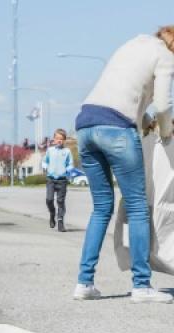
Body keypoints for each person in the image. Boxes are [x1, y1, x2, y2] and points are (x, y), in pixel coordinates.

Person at [73, 26, 174, 303]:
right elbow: (163, 105)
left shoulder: (131, 46)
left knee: (101, 208)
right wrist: (166, 131)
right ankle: (141, 285)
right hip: (117, 130)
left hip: (85, 126)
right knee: (138, 206)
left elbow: (122, 97)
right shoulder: (165, 56)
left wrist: (145, 122)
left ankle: (84, 283)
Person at [42, 129, 74, 232]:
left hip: (62, 180)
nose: (59, 140)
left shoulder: (67, 151)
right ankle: (52, 213)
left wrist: (69, 170)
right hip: (51, 179)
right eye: (57, 138)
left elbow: (70, 163)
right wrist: (45, 167)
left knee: (61, 201)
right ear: (54, 139)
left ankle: (60, 222)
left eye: (61, 139)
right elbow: (45, 161)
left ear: (64, 140)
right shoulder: (50, 150)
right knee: (49, 199)